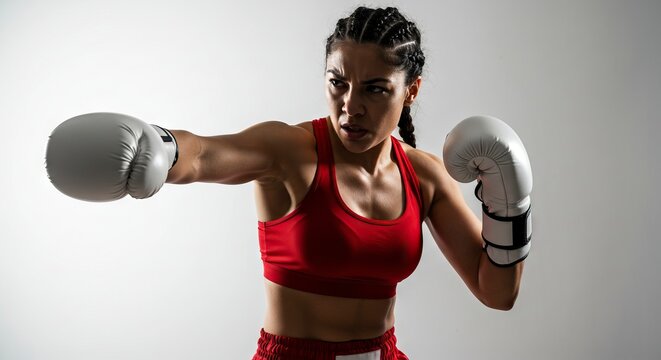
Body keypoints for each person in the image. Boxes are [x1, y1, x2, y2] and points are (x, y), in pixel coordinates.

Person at [45, 6, 532, 360]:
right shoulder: (290, 151)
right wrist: (163, 146)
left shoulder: (422, 174)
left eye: (375, 88)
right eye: (337, 82)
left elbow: (498, 292)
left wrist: (510, 205)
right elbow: (206, 153)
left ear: (411, 91)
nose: (350, 106)